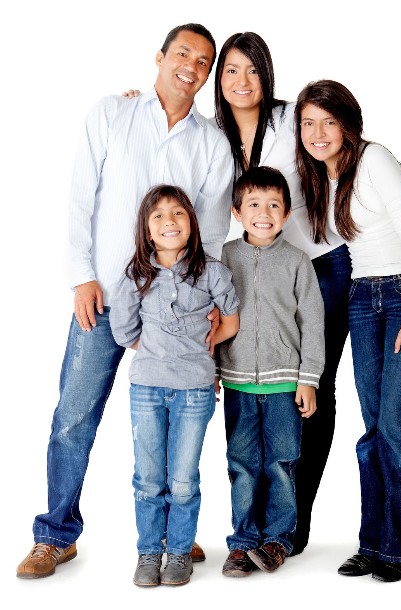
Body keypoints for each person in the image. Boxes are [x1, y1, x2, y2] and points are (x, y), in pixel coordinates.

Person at [122, 30, 401, 556]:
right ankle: (257, 526)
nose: (242, 81)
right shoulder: (210, 133)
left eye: (252, 69)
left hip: (323, 265)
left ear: (266, 75)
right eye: (230, 70)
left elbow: (350, 144)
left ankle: (291, 525)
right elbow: (171, 164)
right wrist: (138, 104)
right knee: (253, 392)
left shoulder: (291, 119)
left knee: (312, 387)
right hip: (246, 269)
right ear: (218, 80)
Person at [16, 23, 234, 579]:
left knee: (178, 421)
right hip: (105, 299)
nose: (191, 66)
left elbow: (210, 230)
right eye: (182, 53)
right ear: (159, 57)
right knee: (74, 416)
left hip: (176, 315)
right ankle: (54, 535)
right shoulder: (113, 113)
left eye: (203, 61)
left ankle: (175, 534)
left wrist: (208, 303)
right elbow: (80, 195)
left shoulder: (211, 143)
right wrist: (81, 276)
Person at [294, 79, 401, 582]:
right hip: (362, 297)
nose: (318, 132)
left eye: (328, 122)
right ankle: (373, 542)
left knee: (397, 423)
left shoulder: (374, 158)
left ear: (348, 124)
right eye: (308, 123)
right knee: (374, 426)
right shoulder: (322, 175)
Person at [109, 184, 239, 586]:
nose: (170, 221)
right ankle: (149, 552)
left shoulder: (211, 271)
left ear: (192, 223)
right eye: (159, 215)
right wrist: (157, 349)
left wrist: (196, 349)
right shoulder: (136, 275)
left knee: (183, 480)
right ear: (147, 231)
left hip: (195, 390)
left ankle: (179, 552)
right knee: (148, 479)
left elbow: (230, 321)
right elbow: (123, 330)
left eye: (178, 212)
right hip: (147, 388)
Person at [216, 166, 325, 576]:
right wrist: (213, 368)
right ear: (237, 212)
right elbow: (213, 316)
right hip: (238, 381)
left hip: (284, 384)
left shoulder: (297, 262)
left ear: (287, 212)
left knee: (281, 463)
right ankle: (243, 542)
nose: (264, 213)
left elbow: (312, 323)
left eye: (274, 205)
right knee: (242, 464)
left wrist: (308, 379)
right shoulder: (225, 257)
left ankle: (278, 540)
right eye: (254, 205)